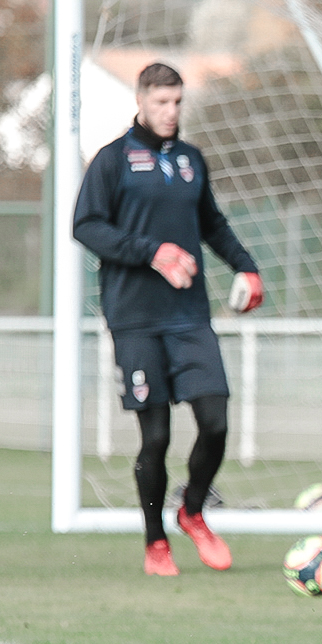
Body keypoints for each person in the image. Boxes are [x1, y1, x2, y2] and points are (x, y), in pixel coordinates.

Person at [74, 61, 264, 577]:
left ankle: (192, 510)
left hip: (189, 317)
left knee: (216, 421)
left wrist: (246, 267)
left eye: (177, 101)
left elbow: (212, 225)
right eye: (161, 102)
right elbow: (85, 225)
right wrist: (152, 252)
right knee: (155, 437)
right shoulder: (112, 161)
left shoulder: (190, 160)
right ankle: (155, 541)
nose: (170, 111)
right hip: (135, 318)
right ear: (140, 101)